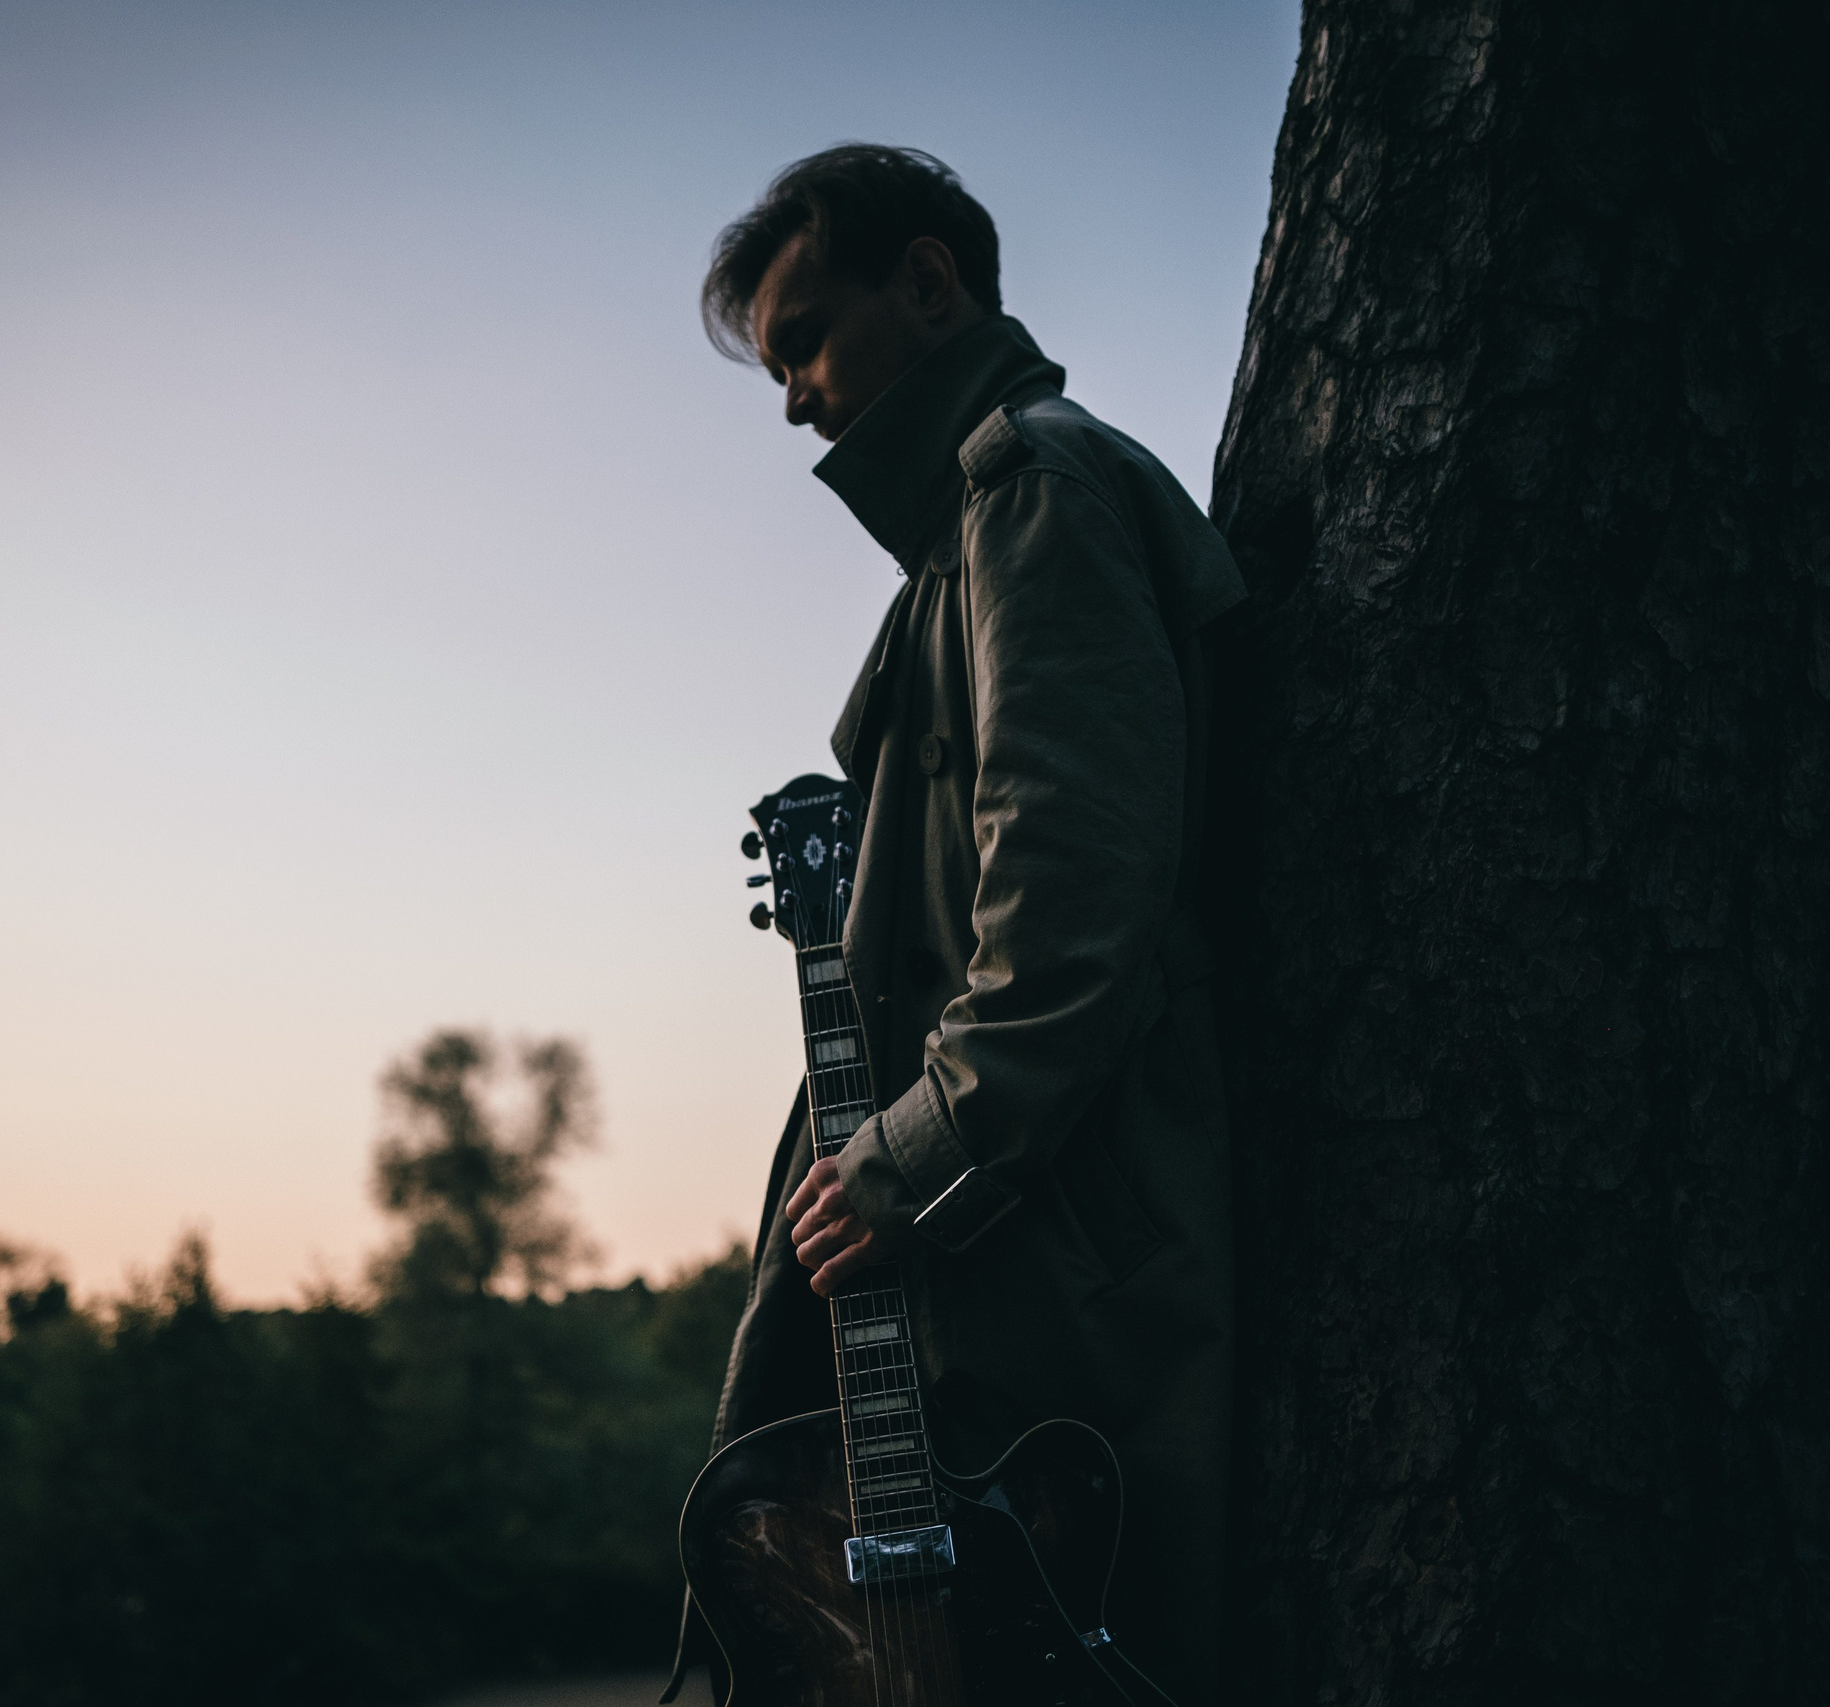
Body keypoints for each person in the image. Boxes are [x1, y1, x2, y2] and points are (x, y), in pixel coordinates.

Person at [673, 145, 1242, 1704]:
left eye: (805, 342)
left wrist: (903, 1162)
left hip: (1058, 1275)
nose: (793, 399)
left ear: (927, 286)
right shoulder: (949, 564)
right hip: (1006, 1274)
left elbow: (1069, 915)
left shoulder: (1031, 493)